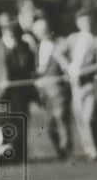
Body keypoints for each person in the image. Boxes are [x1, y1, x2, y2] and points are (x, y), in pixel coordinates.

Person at [0, 13, 36, 161]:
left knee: (20, 121)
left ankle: (20, 154)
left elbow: (27, 67)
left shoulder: (24, 45)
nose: (9, 30)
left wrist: (18, 47)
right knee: (1, 122)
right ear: (2, 29)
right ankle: (2, 154)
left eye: (12, 28)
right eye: (6, 28)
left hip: (19, 91)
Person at [63, 7, 97, 161]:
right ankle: (89, 150)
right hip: (75, 85)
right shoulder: (72, 38)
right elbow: (57, 52)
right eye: (83, 22)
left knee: (89, 117)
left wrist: (83, 71)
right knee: (80, 117)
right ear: (78, 23)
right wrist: (67, 67)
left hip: (90, 84)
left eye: (88, 21)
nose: (86, 24)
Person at [31, 14, 73, 160]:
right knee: (49, 123)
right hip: (43, 92)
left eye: (44, 30)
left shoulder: (59, 44)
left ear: (49, 29)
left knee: (61, 118)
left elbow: (67, 65)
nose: (42, 33)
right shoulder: (37, 47)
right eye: (38, 31)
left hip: (58, 89)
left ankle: (66, 149)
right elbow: (36, 69)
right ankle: (59, 151)